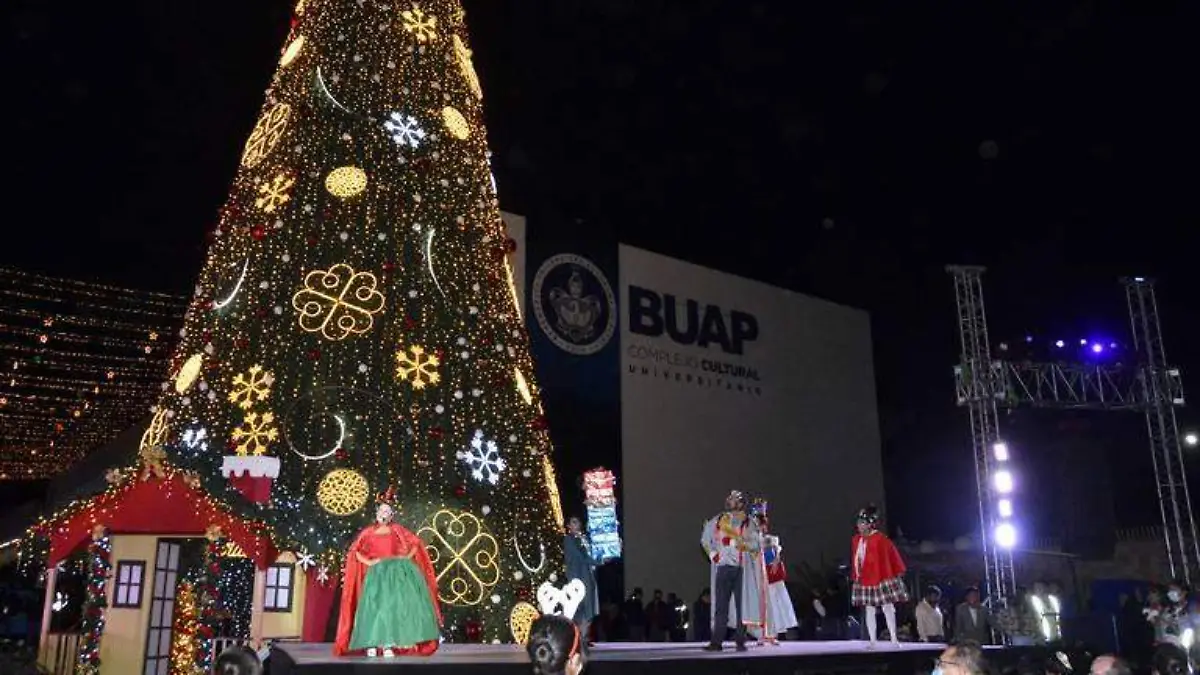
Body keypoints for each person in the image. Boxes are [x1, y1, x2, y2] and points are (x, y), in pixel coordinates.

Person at [333, 491, 442, 657]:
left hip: (393, 575)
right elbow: (355, 550)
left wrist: (405, 558)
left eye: (387, 512)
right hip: (376, 574)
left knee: (390, 608)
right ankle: (371, 643)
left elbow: (415, 543)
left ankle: (388, 644)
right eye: (381, 511)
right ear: (376, 514)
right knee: (373, 607)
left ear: (391, 515)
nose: (383, 514)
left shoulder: (397, 530)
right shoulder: (368, 532)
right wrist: (369, 562)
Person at [701, 489, 759, 651]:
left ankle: (740, 640)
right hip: (724, 567)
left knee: (742, 606)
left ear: (741, 503)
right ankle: (716, 641)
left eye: (734, 499)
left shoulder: (748, 523)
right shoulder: (718, 520)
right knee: (721, 606)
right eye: (729, 498)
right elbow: (705, 539)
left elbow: (756, 544)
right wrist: (713, 555)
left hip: (742, 569)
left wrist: (738, 544)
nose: (729, 500)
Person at [849, 505, 907, 648]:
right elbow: (857, 560)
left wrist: (895, 571)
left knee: (888, 606)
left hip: (881, 577)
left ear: (870, 524)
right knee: (869, 608)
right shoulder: (856, 540)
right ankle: (873, 641)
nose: (859, 526)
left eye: (863, 523)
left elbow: (891, 555)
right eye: (858, 523)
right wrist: (857, 575)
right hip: (865, 578)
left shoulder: (880, 539)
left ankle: (894, 638)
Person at [759, 506, 798, 642]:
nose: (762, 528)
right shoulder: (754, 540)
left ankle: (773, 635)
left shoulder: (772, 539)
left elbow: (777, 552)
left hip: (772, 576)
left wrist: (776, 560)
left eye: (763, 525)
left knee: (776, 605)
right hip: (761, 576)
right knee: (762, 607)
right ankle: (762, 635)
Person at [564, 516, 599, 642]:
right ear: (568, 526)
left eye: (578, 521)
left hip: (587, 578)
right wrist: (598, 561)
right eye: (573, 522)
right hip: (576, 579)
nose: (576, 524)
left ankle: (584, 637)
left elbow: (593, 553)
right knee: (578, 609)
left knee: (588, 608)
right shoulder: (568, 539)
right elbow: (580, 557)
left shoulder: (584, 539)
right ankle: (578, 638)